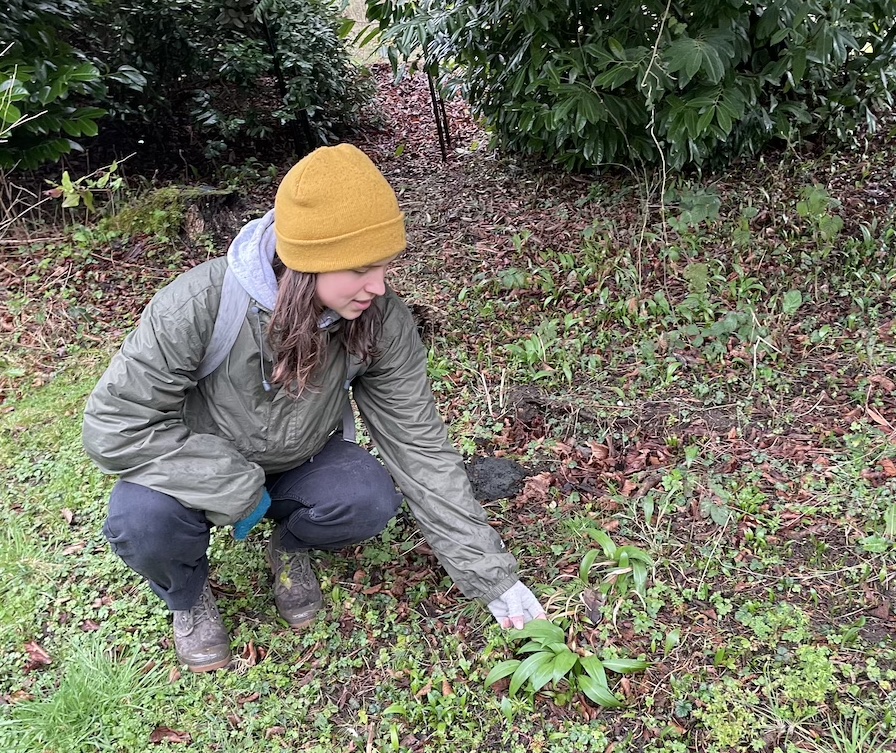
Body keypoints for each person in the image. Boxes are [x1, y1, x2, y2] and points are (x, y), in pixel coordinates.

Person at [82, 144, 545, 673]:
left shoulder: (378, 319)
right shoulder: (199, 304)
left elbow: (418, 446)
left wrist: (492, 577)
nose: (380, 287)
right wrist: (231, 482)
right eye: (360, 270)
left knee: (366, 498)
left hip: (303, 460)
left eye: (386, 267)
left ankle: (289, 544)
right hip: (200, 466)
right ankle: (188, 599)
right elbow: (112, 425)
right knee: (141, 520)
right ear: (308, 265)